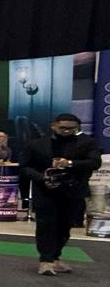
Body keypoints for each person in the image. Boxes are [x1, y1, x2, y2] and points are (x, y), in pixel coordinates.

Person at [20, 114, 102, 275]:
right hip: (45, 191)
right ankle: (45, 260)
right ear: (54, 126)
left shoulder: (87, 142)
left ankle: (55, 257)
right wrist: (42, 177)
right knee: (46, 225)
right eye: (62, 128)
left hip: (73, 190)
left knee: (65, 226)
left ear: (78, 128)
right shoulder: (37, 144)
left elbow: (95, 162)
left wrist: (69, 163)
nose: (67, 131)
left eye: (72, 128)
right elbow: (24, 167)